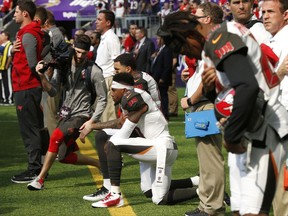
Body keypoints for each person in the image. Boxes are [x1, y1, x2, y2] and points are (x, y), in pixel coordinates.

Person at [158, 10, 288, 216]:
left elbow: (247, 86)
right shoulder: (213, 45)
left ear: (189, 34)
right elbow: (225, 94)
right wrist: (211, 91)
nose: (184, 54)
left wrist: (232, 135)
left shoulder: (221, 38)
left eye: (181, 46)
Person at [80, 72, 199, 208]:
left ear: (124, 90)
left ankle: (115, 195)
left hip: (162, 147)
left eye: (113, 89)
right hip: (158, 146)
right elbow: (121, 123)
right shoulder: (131, 96)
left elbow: (123, 135)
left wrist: (110, 144)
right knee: (153, 193)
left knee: (114, 143)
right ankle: (201, 188)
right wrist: (93, 126)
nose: (111, 93)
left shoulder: (132, 98)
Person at [26, 34, 107, 190]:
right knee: (64, 157)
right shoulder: (63, 66)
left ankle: (40, 179)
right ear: (72, 49)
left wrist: (92, 121)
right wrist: (41, 75)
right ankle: (99, 163)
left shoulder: (94, 71)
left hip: (82, 115)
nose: (80, 56)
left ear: (88, 52)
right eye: (77, 51)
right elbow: (52, 91)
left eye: (83, 53)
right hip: (65, 115)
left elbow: (103, 98)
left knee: (55, 136)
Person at [179, 3, 227, 216]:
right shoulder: (212, 40)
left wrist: (190, 100)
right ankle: (206, 205)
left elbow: (210, 79)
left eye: (197, 15)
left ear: (207, 19)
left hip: (205, 103)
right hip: (204, 104)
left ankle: (213, 208)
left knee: (210, 159)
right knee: (206, 158)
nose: (193, 18)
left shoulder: (215, 40)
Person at [10, 0, 45, 184]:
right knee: (34, 127)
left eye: (16, 11)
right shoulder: (28, 33)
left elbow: (32, 64)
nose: (13, 14)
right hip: (27, 86)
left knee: (29, 129)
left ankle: (34, 170)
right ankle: (39, 165)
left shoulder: (28, 34)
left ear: (25, 14)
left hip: (26, 86)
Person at [261, 0, 288, 215]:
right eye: (263, 12)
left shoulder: (285, 40)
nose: (265, 16)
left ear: (286, 15)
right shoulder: (272, 41)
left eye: (271, 11)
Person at [95, 10, 121, 122]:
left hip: (108, 79)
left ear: (108, 23)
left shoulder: (111, 38)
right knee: (103, 115)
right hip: (103, 78)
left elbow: (117, 61)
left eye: (99, 19)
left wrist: (114, 83)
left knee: (109, 116)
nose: (96, 22)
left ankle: (110, 138)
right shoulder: (105, 37)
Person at [150, 35, 173, 120]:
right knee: (158, 96)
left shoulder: (166, 50)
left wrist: (163, 78)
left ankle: (165, 114)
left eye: (158, 38)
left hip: (161, 79)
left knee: (163, 97)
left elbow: (167, 66)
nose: (157, 40)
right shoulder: (159, 50)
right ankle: (160, 112)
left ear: (163, 39)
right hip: (156, 77)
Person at [0, 31, 13, 105]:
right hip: (2, 67)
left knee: (8, 83)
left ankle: (10, 99)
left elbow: (10, 56)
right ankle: (5, 98)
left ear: (6, 37)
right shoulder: (3, 45)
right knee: (4, 83)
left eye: (2, 35)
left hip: (6, 67)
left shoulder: (9, 45)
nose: (1, 37)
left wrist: (7, 65)